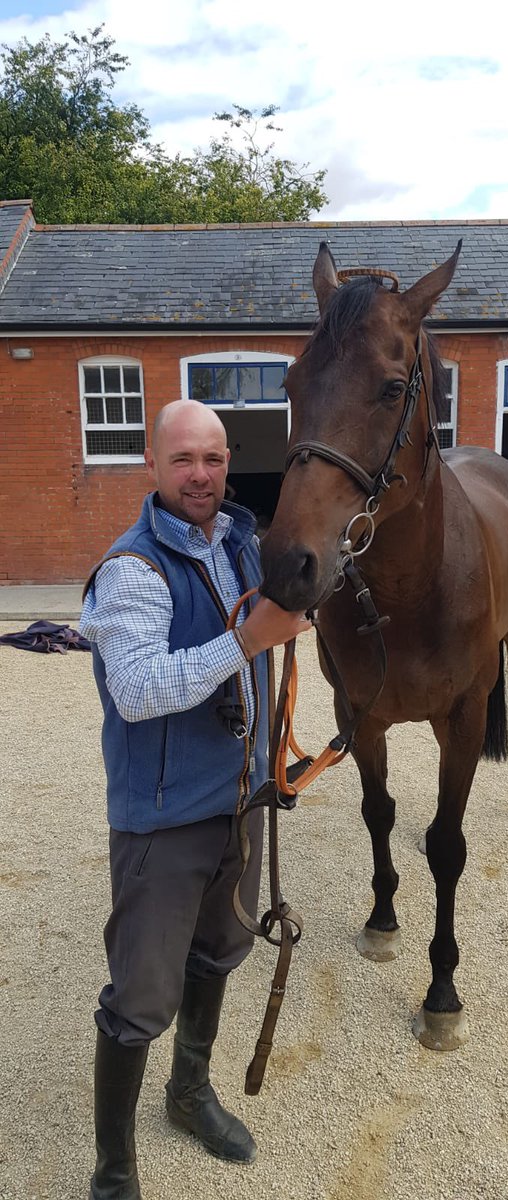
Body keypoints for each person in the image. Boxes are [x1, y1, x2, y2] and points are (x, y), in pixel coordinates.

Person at [80, 400, 311, 1200]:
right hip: (163, 817)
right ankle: (113, 1170)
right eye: (183, 460)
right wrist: (251, 638)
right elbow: (139, 690)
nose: (201, 475)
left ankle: (187, 1094)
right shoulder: (131, 569)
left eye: (212, 459)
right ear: (153, 465)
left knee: (219, 954)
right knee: (140, 997)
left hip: (240, 805)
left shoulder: (243, 543)